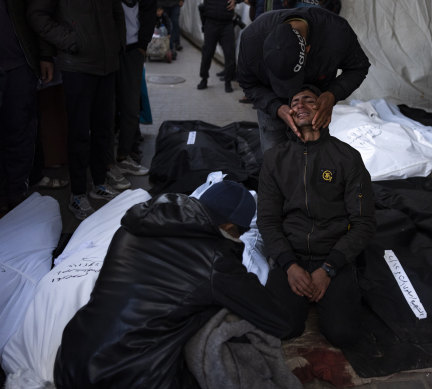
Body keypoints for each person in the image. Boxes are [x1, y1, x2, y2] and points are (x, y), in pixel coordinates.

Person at [54, 180, 293, 388]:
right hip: (132, 379)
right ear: (229, 228)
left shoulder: (132, 228)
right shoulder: (215, 260)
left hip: (69, 362)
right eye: (239, 234)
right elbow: (280, 322)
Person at [257, 85, 376, 347]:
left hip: (333, 254)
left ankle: (330, 289)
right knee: (282, 327)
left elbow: (363, 222)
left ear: (324, 110)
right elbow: (267, 220)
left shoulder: (347, 158)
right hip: (293, 252)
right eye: (295, 102)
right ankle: (300, 289)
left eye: (309, 101)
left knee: (344, 334)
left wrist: (329, 268)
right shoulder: (275, 159)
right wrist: (289, 265)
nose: (299, 105)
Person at [28, 0, 125, 220]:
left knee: (104, 128)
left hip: (107, 64)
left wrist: (117, 43)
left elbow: (116, 12)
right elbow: (37, 15)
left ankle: (99, 183)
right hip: (77, 65)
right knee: (80, 132)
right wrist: (70, 41)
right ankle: (78, 193)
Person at [237, 6, 370, 153]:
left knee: (316, 156)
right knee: (274, 157)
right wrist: (276, 108)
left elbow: (358, 67)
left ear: (307, 49)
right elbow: (248, 84)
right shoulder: (252, 40)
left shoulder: (336, 33)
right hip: (272, 98)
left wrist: (332, 94)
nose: (297, 105)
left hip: (316, 105)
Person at [0, 0, 54, 217]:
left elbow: (35, 13)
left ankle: (15, 196)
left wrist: (45, 54)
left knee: (20, 133)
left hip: (19, 65)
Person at [107, 0, 156, 191]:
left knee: (131, 106)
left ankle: (124, 156)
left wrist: (143, 44)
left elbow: (149, 15)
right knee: (107, 109)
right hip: (110, 50)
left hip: (134, 49)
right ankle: (107, 163)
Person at [197, 0, 241, 93]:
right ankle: (204, 79)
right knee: (207, 53)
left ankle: (228, 81)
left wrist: (236, 1)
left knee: (230, 54)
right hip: (211, 22)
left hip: (227, 24)